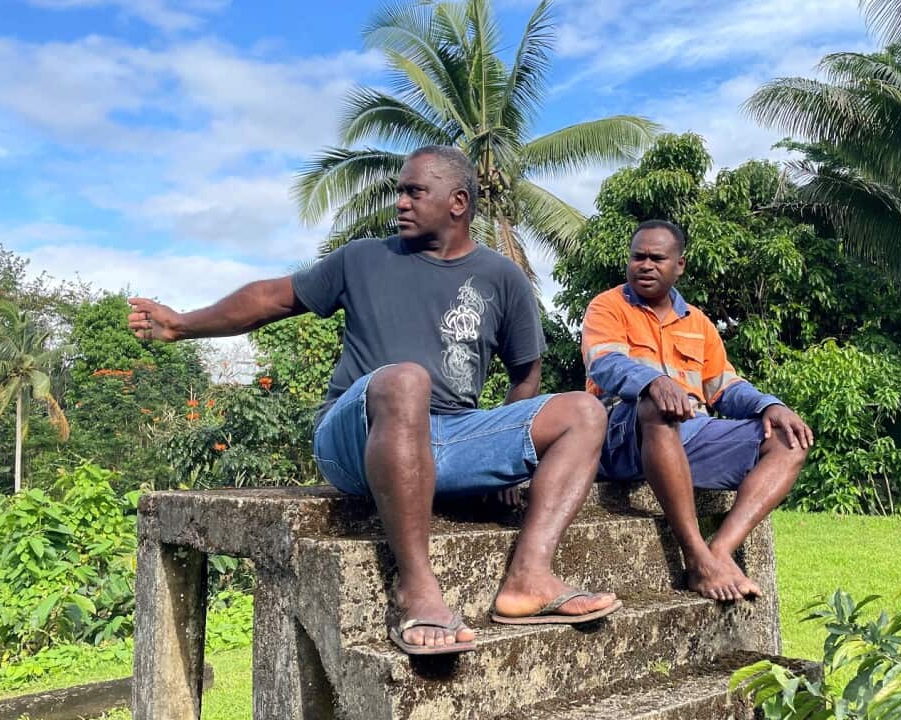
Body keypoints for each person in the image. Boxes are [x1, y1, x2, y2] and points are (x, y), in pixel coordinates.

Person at [128, 146, 620, 656]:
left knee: (585, 411)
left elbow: (527, 376)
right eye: (399, 191)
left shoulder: (503, 278)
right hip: (355, 438)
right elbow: (269, 299)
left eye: (414, 191)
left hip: (447, 440)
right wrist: (183, 325)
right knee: (405, 380)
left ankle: (529, 579)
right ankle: (416, 587)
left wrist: (512, 470)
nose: (400, 202)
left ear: (457, 202)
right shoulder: (363, 258)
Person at [580, 220, 812, 601]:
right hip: (623, 435)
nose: (646, 265)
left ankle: (720, 549)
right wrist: (652, 383)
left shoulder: (699, 323)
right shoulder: (608, 306)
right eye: (638, 257)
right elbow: (603, 364)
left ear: (680, 265)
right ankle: (696, 558)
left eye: (657, 258)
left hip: (691, 437)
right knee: (658, 404)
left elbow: (722, 386)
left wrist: (770, 405)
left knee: (790, 438)